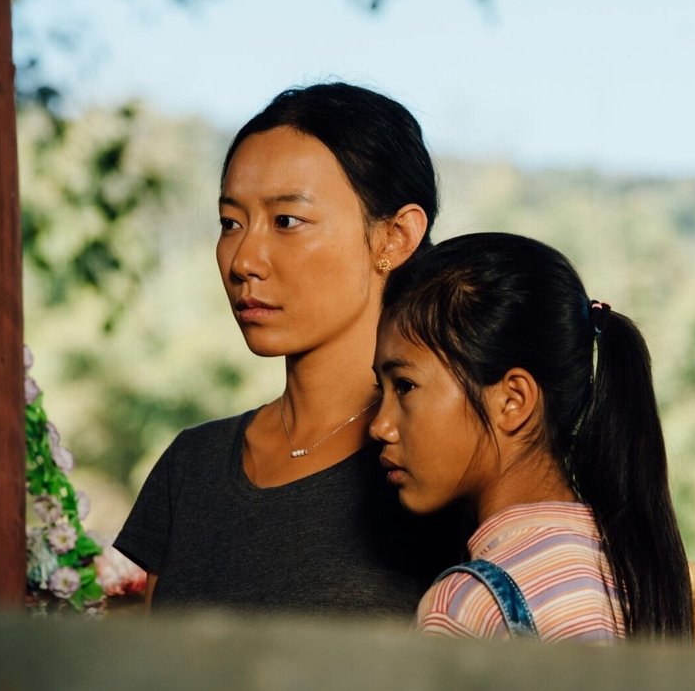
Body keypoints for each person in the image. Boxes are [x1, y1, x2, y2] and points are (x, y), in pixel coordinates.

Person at [115, 83, 467, 614]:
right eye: (231, 223)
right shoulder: (193, 465)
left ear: (394, 237)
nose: (243, 260)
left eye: (286, 221)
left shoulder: (440, 466)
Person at [369, 232, 694, 641]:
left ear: (512, 400)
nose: (379, 425)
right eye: (381, 391)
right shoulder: (636, 573)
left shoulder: (469, 604)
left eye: (404, 386)